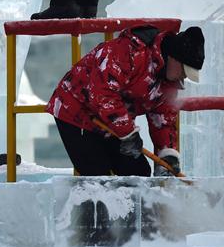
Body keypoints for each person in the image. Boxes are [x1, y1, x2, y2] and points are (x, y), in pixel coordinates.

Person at [46, 25, 205, 177]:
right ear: (173, 58)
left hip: (113, 123)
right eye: (184, 70)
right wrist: (127, 133)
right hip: (77, 111)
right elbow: (103, 93)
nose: (184, 77)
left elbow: (163, 119)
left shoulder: (169, 81)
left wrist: (167, 154)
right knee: (97, 175)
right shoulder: (128, 51)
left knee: (138, 173)